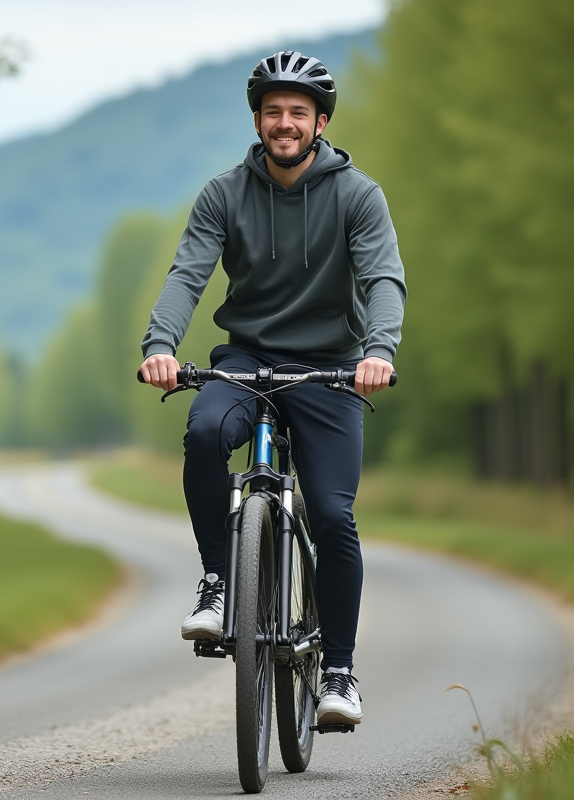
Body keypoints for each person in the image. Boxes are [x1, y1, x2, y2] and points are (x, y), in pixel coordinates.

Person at [137, 51, 406, 726]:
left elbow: (381, 280)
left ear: (319, 122)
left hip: (329, 367)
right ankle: (219, 581)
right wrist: (161, 345)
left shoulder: (358, 195)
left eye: (298, 113)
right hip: (248, 358)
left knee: (334, 514)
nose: (284, 123)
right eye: (272, 111)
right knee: (202, 434)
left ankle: (339, 672)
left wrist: (378, 351)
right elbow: (187, 276)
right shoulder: (224, 194)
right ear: (257, 119)